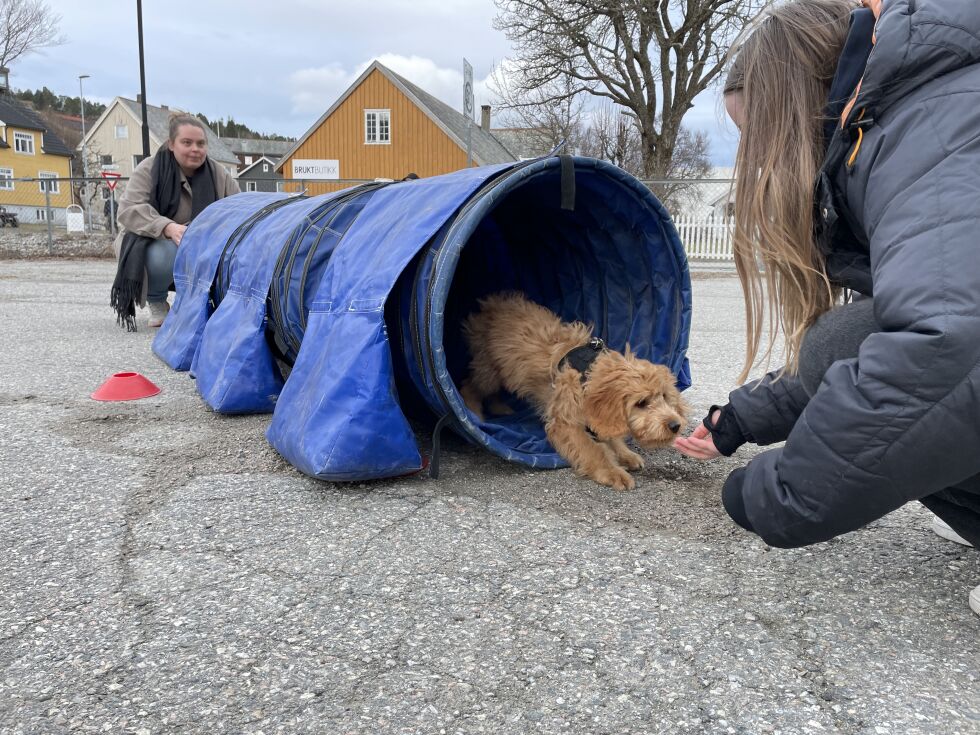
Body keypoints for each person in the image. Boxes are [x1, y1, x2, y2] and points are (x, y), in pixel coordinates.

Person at [673, 0, 980, 616]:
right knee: (841, 346)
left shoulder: (932, 119)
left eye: (758, 137)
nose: (757, 164)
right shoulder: (906, 108)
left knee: (863, 368)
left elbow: (945, 340)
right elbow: (886, 331)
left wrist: (775, 493)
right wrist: (739, 420)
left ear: (799, 108)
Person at [110, 114, 239, 330]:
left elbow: (239, 208)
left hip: (202, 244)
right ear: (171, 144)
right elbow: (128, 209)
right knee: (165, 252)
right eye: (186, 143)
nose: (195, 149)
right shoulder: (150, 168)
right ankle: (157, 300)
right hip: (150, 243)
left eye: (200, 143)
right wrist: (167, 227)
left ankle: (203, 302)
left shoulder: (218, 173)